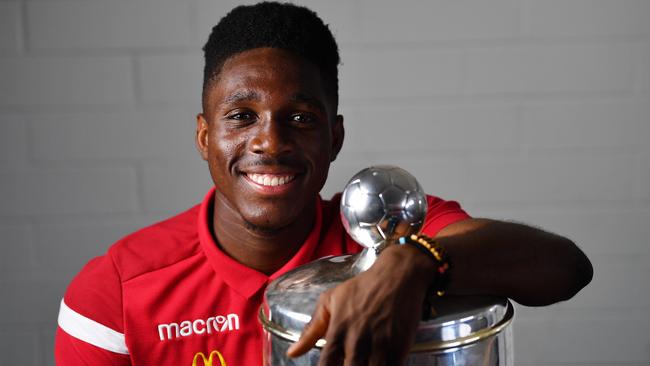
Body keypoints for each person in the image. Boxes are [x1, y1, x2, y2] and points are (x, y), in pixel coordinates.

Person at [54, 2, 593, 365]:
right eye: (241, 116)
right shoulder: (117, 293)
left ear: (334, 139)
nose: (270, 142)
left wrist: (413, 263)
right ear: (204, 135)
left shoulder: (389, 230)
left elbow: (564, 267)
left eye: (302, 118)